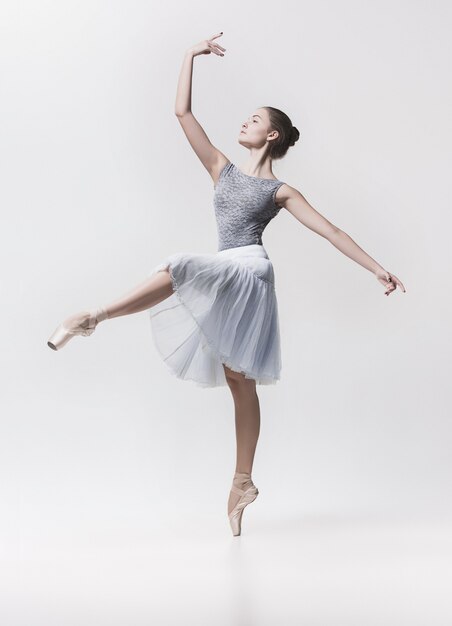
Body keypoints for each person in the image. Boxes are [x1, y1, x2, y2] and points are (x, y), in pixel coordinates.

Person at [47, 33, 406, 536]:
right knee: (239, 382)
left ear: (273, 137)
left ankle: (92, 317)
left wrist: (375, 267)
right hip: (228, 271)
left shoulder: (279, 190)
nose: (245, 122)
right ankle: (243, 483)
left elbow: (330, 231)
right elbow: (182, 114)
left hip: (250, 270)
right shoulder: (222, 169)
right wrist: (188, 56)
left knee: (178, 267)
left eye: (255, 119)